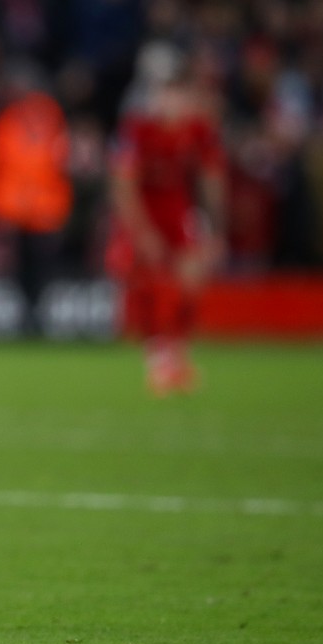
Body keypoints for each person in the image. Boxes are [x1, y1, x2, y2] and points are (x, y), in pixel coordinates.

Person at [106, 52, 226, 396]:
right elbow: (123, 183)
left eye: (179, 94)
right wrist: (140, 231)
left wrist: (216, 229)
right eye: (165, 94)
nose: (172, 102)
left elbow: (212, 178)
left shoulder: (199, 129)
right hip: (143, 209)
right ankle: (158, 359)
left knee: (191, 278)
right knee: (149, 280)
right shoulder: (137, 129)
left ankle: (178, 353)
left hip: (177, 208)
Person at [0, 61, 72, 335]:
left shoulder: (44, 119)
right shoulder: (10, 122)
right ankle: (29, 316)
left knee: (38, 268)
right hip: (22, 211)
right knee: (23, 269)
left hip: (41, 211)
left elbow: (58, 165)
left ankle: (36, 315)